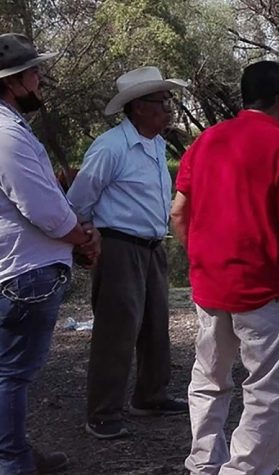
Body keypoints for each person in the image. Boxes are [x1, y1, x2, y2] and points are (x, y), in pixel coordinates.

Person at [170, 60, 279, 475]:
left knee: (210, 378)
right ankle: (244, 470)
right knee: (271, 389)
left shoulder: (206, 141)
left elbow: (179, 213)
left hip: (210, 286)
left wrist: (202, 259)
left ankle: (204, 463)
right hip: (262, 289)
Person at [67, 66, 189, 440]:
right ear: (137, 107)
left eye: (169, 100)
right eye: (160, 101)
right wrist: (90, 241)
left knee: (155, 325)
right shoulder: (111, 147)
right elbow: (79, 201)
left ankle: (150, 396)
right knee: (116, 332)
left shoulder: (154, 143)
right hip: (119, 246)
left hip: (152, 247)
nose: (168, 108)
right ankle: (103, 413)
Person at [0, 33, 100, 473]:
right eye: (35, 72)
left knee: (9, 373)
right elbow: (43, 209)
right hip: (25, 271)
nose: (41, 80)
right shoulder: (7, 134)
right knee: (12, 375)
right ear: (15, 81)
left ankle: (15, 450)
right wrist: (81, 237)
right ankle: (13, 460)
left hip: (17, 268)